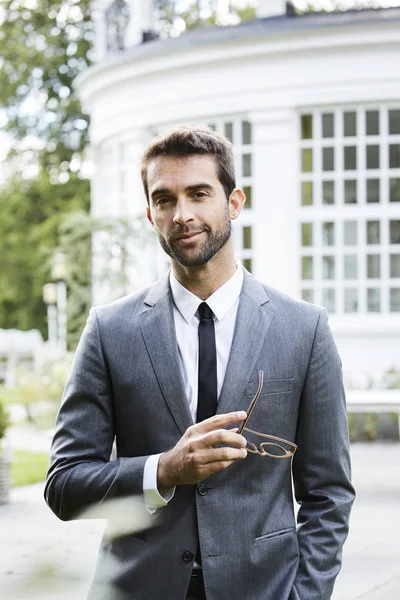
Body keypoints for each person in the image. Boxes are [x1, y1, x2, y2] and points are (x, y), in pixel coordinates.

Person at [45, 125, 355, 600]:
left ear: (233, 203)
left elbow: (328, 494)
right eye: (165, 199)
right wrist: (164, 470)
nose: (182, 214)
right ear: (151, 214)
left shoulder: (304, 329)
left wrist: (306, 595)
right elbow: (64, 486)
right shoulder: (110, 330)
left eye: (199, 193)